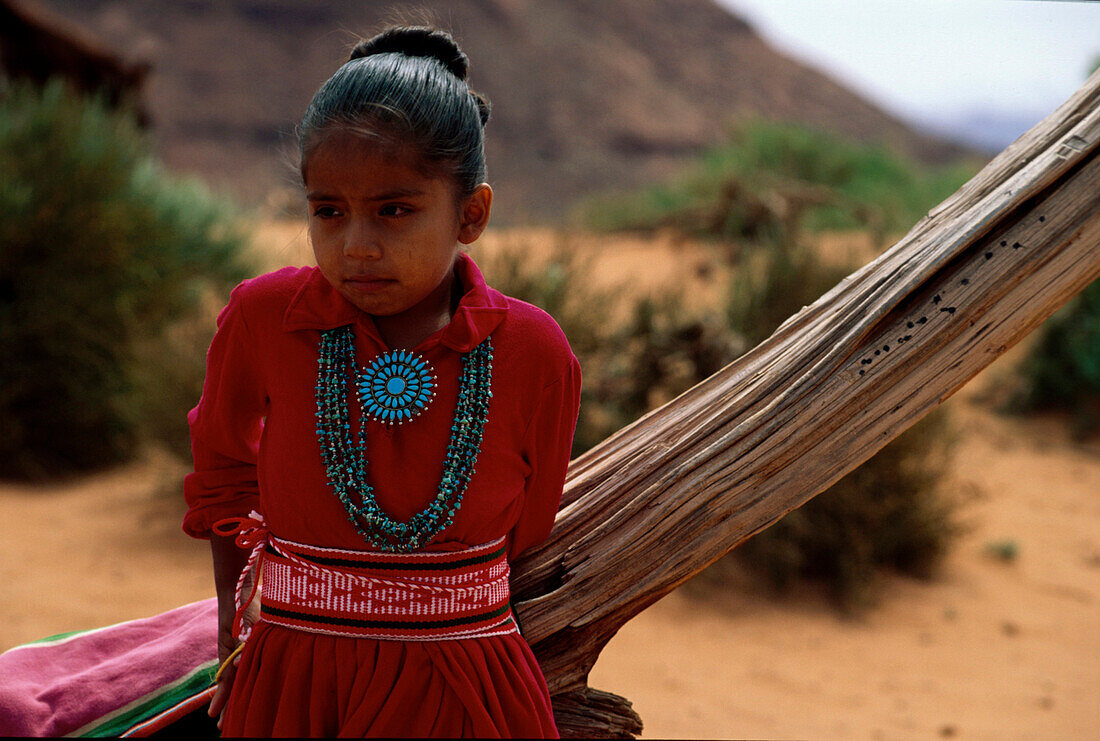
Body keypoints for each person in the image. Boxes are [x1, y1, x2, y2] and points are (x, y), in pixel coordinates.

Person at [182, 26, 580, 738]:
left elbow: (533, 518)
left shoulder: (534, 351)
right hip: (292, 683)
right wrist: (233, 620)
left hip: (467, 683)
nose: (356, 244)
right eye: (327, 211)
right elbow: (221, 464)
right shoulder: (265, 318)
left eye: (395, 210)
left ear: (472, 214)